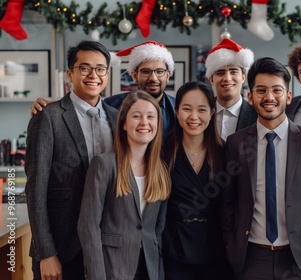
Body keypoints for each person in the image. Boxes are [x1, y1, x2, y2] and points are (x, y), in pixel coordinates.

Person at [221, 57, 301, 279]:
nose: (269, 97)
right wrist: (231, 246)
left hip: (298, 258)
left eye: (277, 90)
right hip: (251, 258)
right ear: (250, 97)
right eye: (261, 90)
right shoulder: (236, 142)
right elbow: (227, 202)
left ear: (288, 96)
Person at [25, 40, 118, 280]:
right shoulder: (48, 117)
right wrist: (46, 253)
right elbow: (35, 190)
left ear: (107, 74)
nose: (93, 75)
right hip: (62, 249)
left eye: (100, 69)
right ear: (70, 73)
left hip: (106, 247)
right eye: (84, 68)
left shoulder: (118, 119)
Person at [78, 91, 170, 279]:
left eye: (150, 117)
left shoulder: (161, 170)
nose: (144, 122)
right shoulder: (104, 164)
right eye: (136, 116)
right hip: (113, 268)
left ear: (158, 124)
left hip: (149, 270)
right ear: (124, 124)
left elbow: (157, 233)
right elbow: (88, 227)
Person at [30, 40, 177, 138]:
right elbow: (83, 109)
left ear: (168, 75)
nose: (153, 78)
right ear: (134, 75)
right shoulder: (114, 106)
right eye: (145, 72)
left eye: (160, 72)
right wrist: (54, 107)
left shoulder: (179, 109)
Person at [162, 81, 232, 279]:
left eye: (201, 109)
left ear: (211, 112)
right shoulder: (162, 151)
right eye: (186, 109)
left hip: (216, 252)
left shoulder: (226, 152)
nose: (193, 117)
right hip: (173, 252)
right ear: (176, 112)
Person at [205, 38, 258, 141]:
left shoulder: (257, 115)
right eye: (220, 73)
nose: (227, 78)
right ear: (211, 79)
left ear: (243, 77)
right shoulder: (202, 113)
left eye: (233, 72)